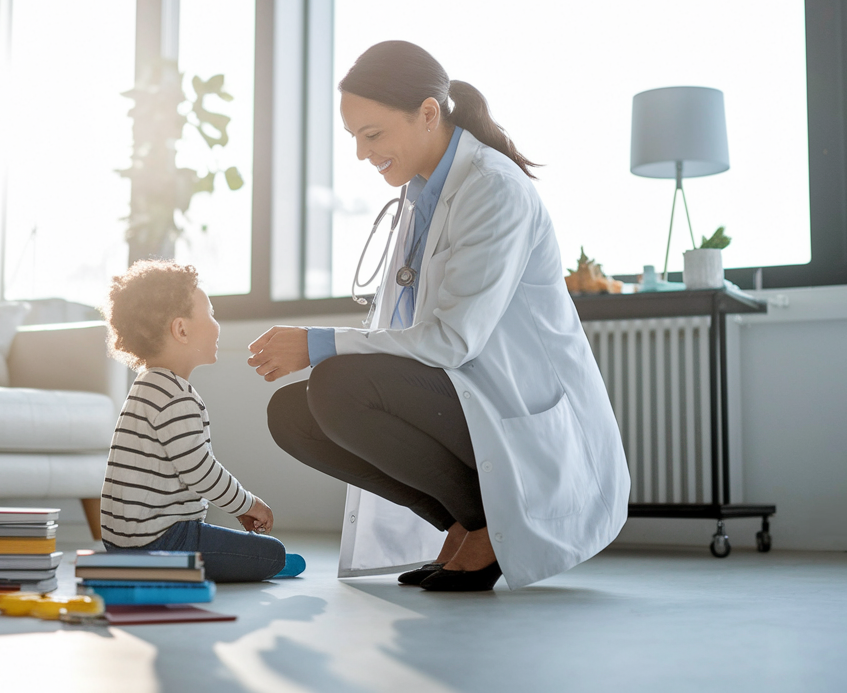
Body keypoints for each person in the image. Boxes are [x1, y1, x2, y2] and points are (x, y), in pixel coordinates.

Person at [248, 40, 629, 592]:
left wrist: (317, 343)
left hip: (516, 407)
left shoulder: (493, 189)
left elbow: (450, 341)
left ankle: (490, 525)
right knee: (293, 414)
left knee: (335, 385)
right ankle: (467, 520)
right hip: (467, 392)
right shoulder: (421, 195)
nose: (360, 153)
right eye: (353, 136)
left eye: (372, 134)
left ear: (428, 113)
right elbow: (411, 333)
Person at [100, 259, 305, 582]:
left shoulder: (146, 386)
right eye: (210, 313)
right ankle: (270, 562)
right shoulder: (175, 396)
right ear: (181, 330)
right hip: (163, 542)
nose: (216, 324)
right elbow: (200, 472)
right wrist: (248, 504)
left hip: (120, 544)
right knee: (272, 553)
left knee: (224, 541)